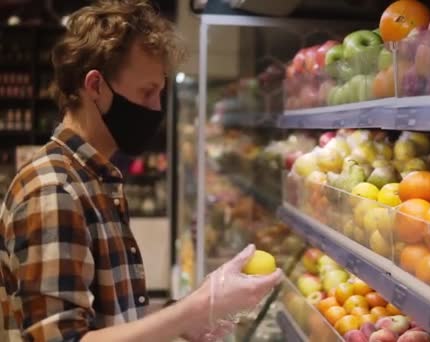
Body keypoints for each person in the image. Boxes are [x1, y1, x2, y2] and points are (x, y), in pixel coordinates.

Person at [0, 1, 283, 341]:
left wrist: (189, 314)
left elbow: (110, 322)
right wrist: (196, 308)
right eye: (147, 92)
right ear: (95, 87)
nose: (156, 108)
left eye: (160, 93)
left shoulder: (93, 180)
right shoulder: (54, 191)